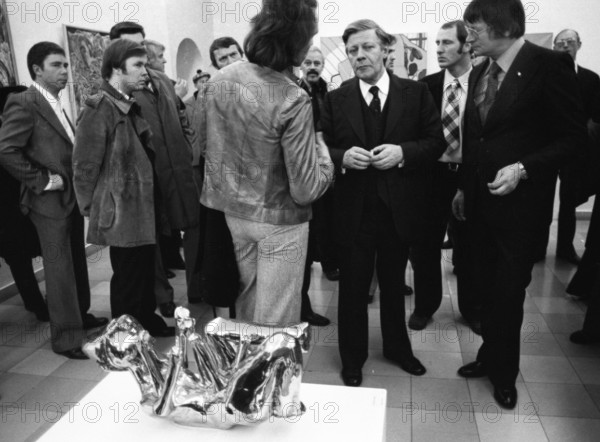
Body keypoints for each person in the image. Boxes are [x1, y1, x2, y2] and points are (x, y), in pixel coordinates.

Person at [453, 0, 587, 409]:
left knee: (508, 293)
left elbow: (573, 139)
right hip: (477, 203)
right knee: (479, 287)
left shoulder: (548, 66)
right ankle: (487, 354)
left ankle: (504, 373)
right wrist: (462, 188)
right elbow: (475, 139)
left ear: (503, 27)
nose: (468, 38)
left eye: (474, 29)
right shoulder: (479, 72)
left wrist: (524, 168)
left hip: (519, 210)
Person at [321, 19, 445, 387]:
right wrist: (342, 157)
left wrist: (403, 152)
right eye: (353, 50)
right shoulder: (336, 97)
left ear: (385, 49)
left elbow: (435, 141)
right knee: (354, 289)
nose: (359, 55)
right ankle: (353, 357)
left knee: (393, 285)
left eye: (367, 47)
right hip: (354, 211)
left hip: (399, 210)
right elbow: (321, 146)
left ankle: (397, 348)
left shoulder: (415, 93)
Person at [200, 0, 333, 326]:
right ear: (292, 39)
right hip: (280, 220)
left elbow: (208, 146)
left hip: (234, 213)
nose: (310, 45)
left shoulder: (222, 78)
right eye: (308, 37)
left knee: (248, 303)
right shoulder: (292, 95)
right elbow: (304, 188)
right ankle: (270, 376)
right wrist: (325, 158)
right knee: (276, 319)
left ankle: (245, 373)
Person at [0, 42, 107, 360]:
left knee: (75, 263)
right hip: (47, 203)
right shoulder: (24, 101)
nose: (64, 71)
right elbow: (6, 150)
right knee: (59, 270)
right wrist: (42, 180)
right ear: (37, 70)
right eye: (57, 65)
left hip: (69, 199)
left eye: (65, 65)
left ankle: (79, 318)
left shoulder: (55, 101)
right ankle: (65, 338)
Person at [73, 39, 174, 338]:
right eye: (138, 66)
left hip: (141, 206)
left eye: (145, 64)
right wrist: (93, 209)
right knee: (129, 276)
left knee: (143, 271)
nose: (146, 71)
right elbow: (84, 166)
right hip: (121, 210)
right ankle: (125, 335)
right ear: (117, 70)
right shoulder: (98, 108)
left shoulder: (128, 104)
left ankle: (145, 320)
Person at [110, 24, 201, 315]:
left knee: (193, 228)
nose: (140, 52)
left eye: (141, 44)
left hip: (178, 172)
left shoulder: (161, 79)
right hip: (145, 181)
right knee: (151, 245)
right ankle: (161, 299)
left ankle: (200, 288)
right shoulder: (115, 91)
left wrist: (187, 149)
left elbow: (181, 114)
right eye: (129, 46)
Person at [411, 21, 479, 333]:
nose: (438, 49)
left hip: (469, 176)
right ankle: (425, 306)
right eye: (437, 43)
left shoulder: (484, 83)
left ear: (467, 46)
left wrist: (466, 185)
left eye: (447, 43)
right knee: (424, 245)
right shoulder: (427, 84)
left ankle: (472, 309)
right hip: (431, 176)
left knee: (468, 248)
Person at [551, 29, 600, 264]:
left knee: (569, 200)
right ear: (553, 47)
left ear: (579, 45)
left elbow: (595, 115)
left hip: (576, 149)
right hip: (545, 146)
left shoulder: (591, 79)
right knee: (539, 198)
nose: (565, 46)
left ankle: (564, 248)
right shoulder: (543, 76)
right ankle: (536, 247)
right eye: (560, 43)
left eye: (570, 42)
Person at [0, 85, 47, 322]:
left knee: (35, 253)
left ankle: (44, 304)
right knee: (19, 259)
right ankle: (37, 305)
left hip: (27, 203)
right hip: (7, 210)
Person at [297, 46, 336, 326]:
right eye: (308, 62)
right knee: (303, 245)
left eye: (317, 63)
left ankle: (329, 263)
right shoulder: (293, 90)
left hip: (324, 172)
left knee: (323, 226)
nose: (313, 66)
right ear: (302, 64)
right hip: (300, 174)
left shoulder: (327, 92)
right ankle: (303, 307)